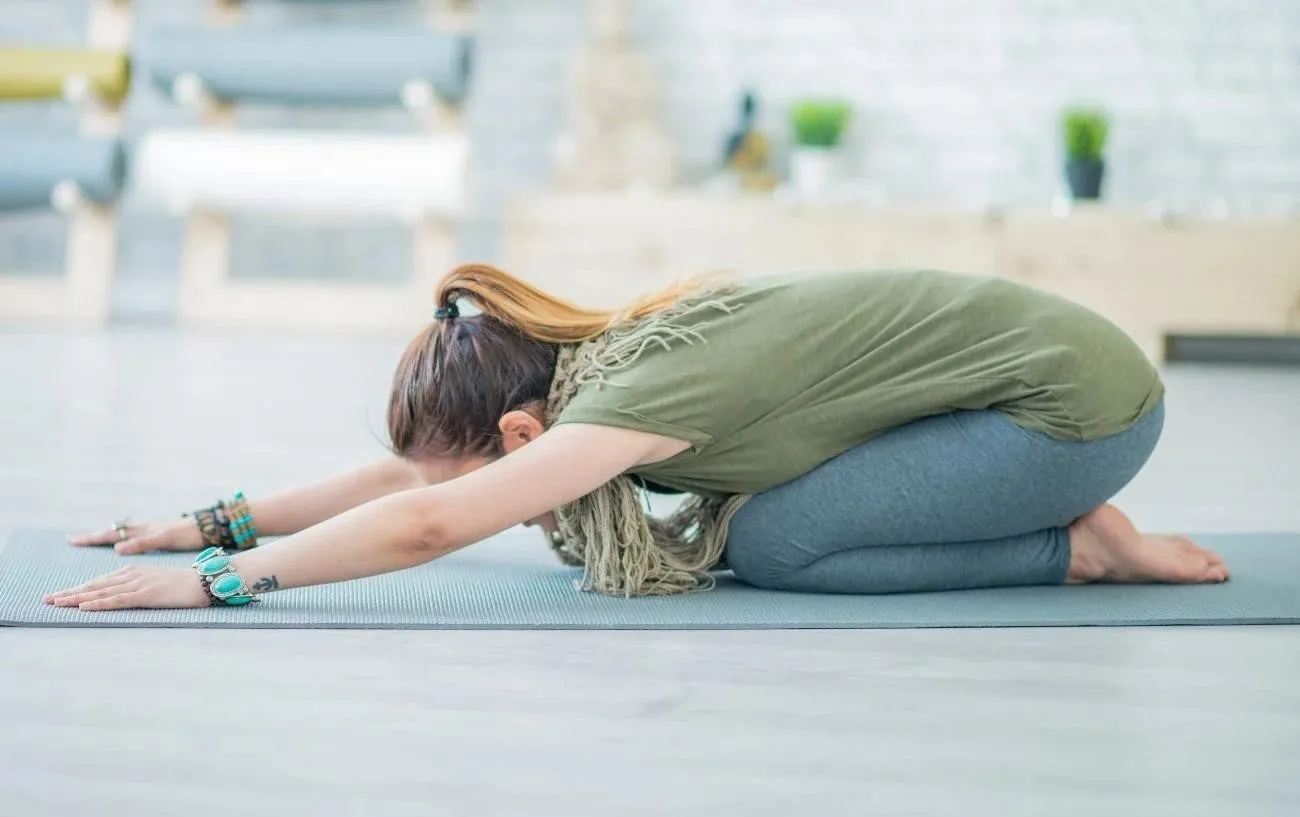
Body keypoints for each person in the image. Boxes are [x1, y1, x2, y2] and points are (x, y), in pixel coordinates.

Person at [45, 264, 1229, 612]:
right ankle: (1059, 522)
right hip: (1017, 390)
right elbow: (418, 479)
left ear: (520, 428)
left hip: (1072, 416)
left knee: (776, 546)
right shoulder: (581, 371)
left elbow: (432, 518)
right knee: (771, 534)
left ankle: (1078, 550)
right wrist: (211, 520)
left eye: (485, 456)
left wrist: (218, 583)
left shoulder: (631, 398)